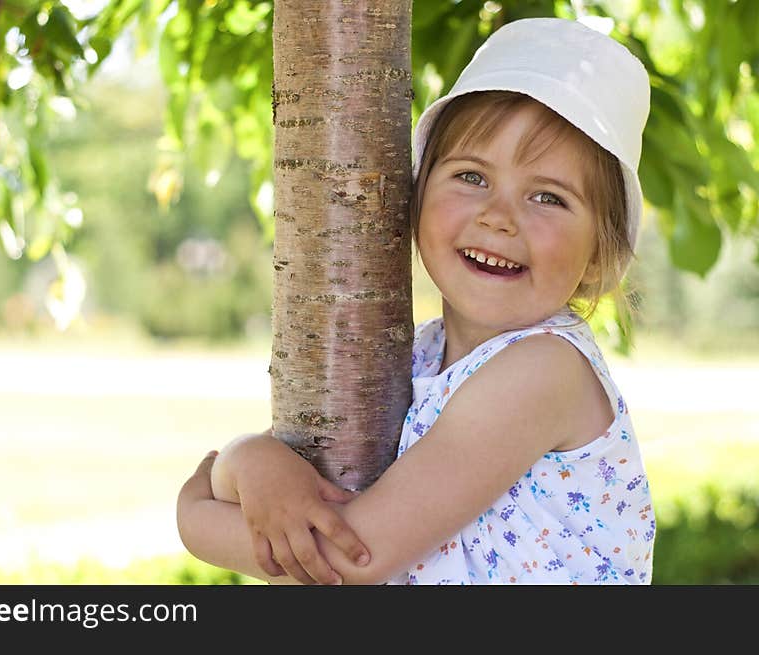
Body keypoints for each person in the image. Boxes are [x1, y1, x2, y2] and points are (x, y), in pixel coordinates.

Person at [176, 17, 656, 585]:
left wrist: (195, 512)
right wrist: (248, 458)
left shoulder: (544, 370)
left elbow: (350, 559)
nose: (498, 217)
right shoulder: (419, 353)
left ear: (598, 257)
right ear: (416, 196)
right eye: (472, 177)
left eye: (548, 197)